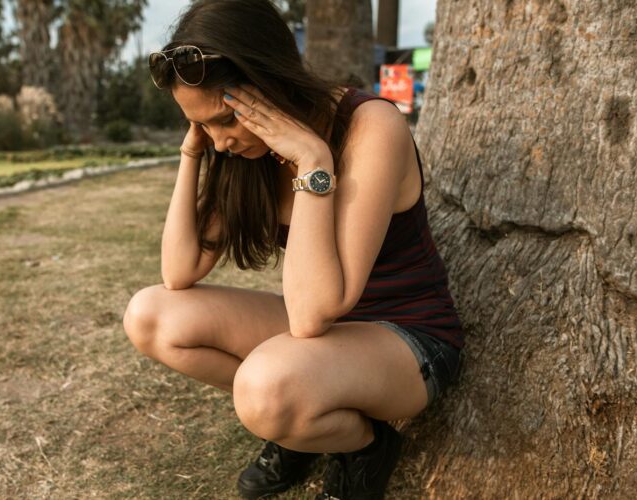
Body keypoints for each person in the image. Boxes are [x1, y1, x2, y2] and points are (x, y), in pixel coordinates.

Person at [122, 1, 464, 498]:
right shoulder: (241, 148)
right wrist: (190, 153)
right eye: (203, 126)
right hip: (324, 337)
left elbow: (310, 315)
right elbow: (179, 271)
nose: (221, 142)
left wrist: (311, 159)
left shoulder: (371, 126)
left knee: (264, 390)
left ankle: (364, 446)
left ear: (268, 82)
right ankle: (304, 424)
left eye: (223, 120)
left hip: (409, 338)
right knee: (150, 315)